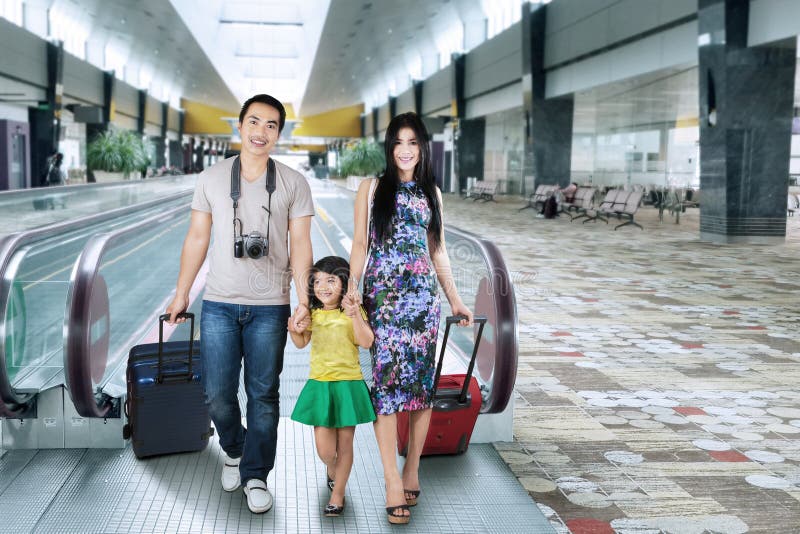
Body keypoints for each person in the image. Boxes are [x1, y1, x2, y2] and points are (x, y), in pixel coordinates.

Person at [165, 94, 314, 514]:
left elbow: (302, 245)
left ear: (279, 134)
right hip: (219, 304)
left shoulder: (292, 183)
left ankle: (255, 475)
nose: (261, 131)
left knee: (264, 395)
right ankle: (235, 447)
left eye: (271, 125)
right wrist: (181, 293)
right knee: (216, 394)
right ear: (240, 126)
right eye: (254, 121)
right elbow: (196, 239)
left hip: (271, 305)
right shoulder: (212, 178)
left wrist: (305, 300)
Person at [347, 111, 473, 525]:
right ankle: (390, 482)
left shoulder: (432, 193)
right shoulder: (371, 189)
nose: (405, 151)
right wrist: (352, 289)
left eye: (413, 143)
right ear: (390, 147)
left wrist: (454, 299)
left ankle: (412, 468)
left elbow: (437, 250)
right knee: (385, 392)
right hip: (382, 303)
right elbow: (361, 246)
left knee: (420, 390)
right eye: (398, 143)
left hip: (422, 304)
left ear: (423, 148)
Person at [288, 256, 376, 517]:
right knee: (325, 449)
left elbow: (367, 341)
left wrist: (355, 315)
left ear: (344, 283)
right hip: (321, 385)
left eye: (330, 280)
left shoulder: (353, 312)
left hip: (347, 384)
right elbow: (301, 342)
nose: (323, 286)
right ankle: (331, 468)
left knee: (345, 444)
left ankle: (338, 494)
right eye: (317, 281)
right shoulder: (314, 313)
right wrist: (294, 328)